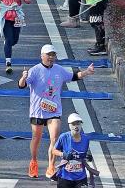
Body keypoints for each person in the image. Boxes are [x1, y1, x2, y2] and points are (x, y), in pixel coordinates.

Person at [19, 44, 95, 179]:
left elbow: (74, 76)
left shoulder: (59, 70)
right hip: (37, 111)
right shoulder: (34, 70)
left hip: (54, 110)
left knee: (54, 138)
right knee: (36, 138)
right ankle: (34, 161)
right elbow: (21, 85)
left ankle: (51, 166)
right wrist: (24, 77)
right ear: (42, 56)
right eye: (48, 55)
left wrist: (87, 72)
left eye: (53, 55)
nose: (51, 57)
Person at [52, 113, 98, 187]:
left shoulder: (86, 139)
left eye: (78, 123)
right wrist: (63, 154)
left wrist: (87, 156)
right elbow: (54, 151)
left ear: (81, 124)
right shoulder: (64, 137)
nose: (76, 126)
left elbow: (83, 154)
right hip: (65, 177)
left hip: (80, 177)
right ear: (69, 125)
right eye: (73, 124)